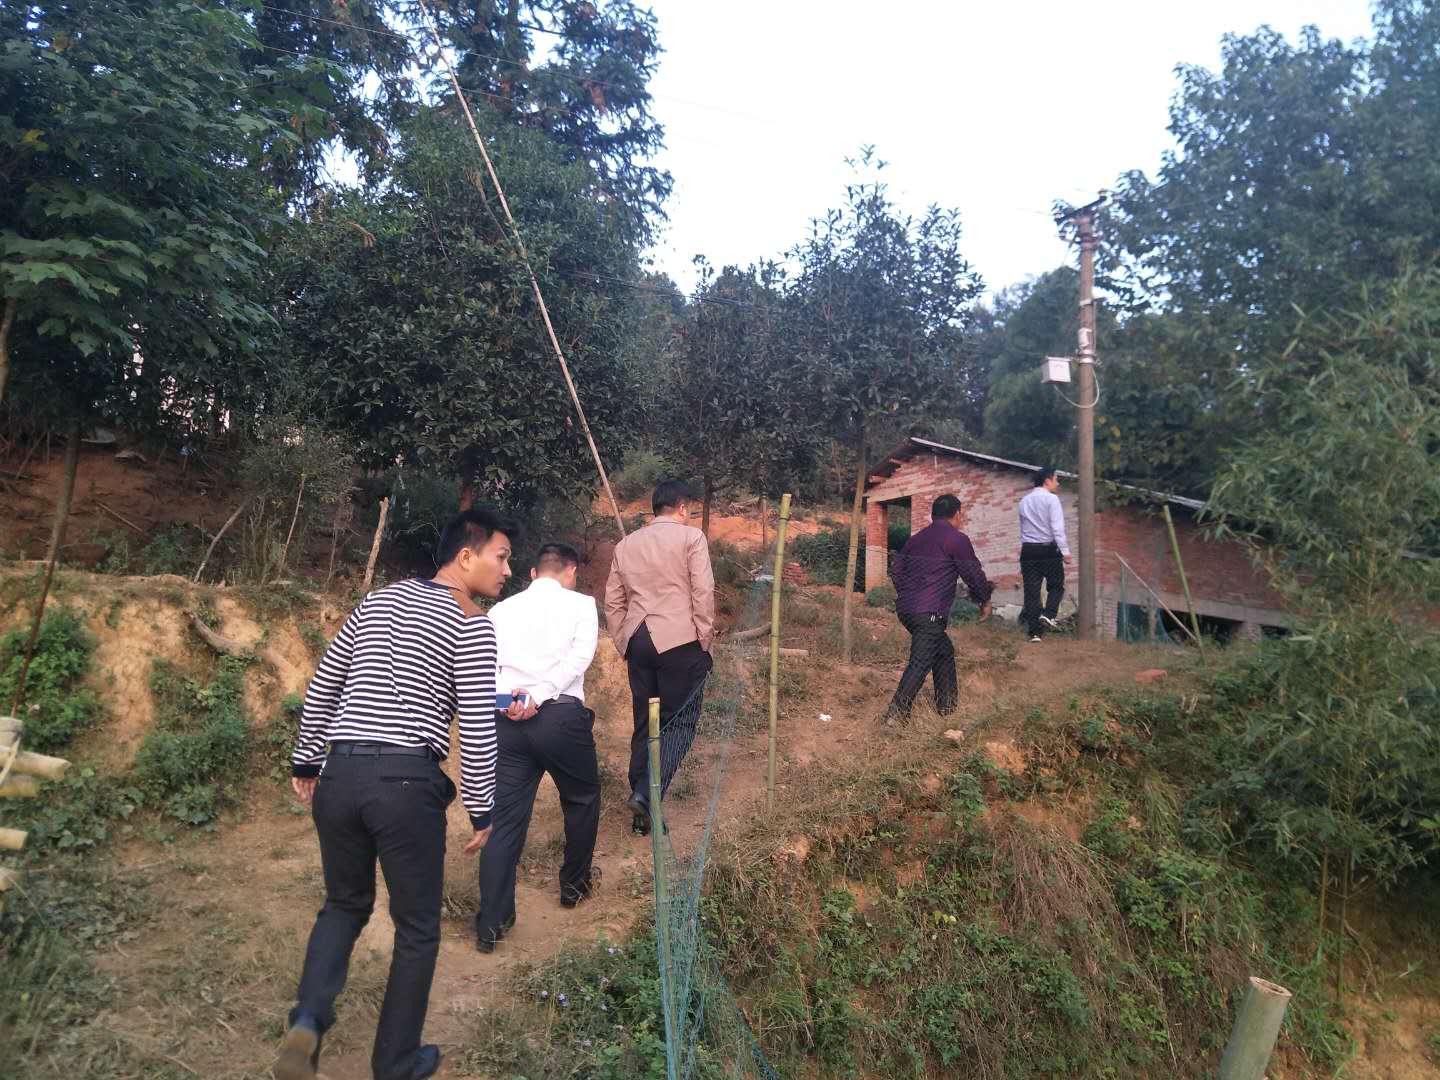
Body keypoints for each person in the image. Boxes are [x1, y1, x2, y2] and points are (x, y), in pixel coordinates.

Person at [275, 507, 517, 1080]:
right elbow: (477, 726)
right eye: (502, 557)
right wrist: (482, 807)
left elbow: (326, 681)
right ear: (466, 556)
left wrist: (307, 758)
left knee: (343, 904)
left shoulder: (379, 601)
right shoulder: (473, 623)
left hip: (340, 775)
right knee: (417, 929)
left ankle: (308, 1019)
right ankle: (396, 1062)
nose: (508, 570)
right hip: (405, 786)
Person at [475, 542, 602, 953]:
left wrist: (509, 700)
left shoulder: (501, 610)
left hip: (507, 721)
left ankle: (491, 924)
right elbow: (578, 660)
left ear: (532, 573)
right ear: (571, 571)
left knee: (504, 820)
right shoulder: (582, 605)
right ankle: (573, 887)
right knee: (581, 799)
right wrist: (540, 694)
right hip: (560, 718)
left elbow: (486, 665)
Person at [604, 479, 715, 836]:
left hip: (638, 640)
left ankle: (642, 813)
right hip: (680, 641)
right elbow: (703, 592)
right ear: (682, 508)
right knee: (679, 722)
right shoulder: (692, 538)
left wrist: (623, 640)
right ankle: (645, 794)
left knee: (644, 723)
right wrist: (704, 640)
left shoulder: (626, 545)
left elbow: (613, 602)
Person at [882, 493, 993, 724]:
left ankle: (947, 708)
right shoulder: (956, 539)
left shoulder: (915, 540)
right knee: (921, 660)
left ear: (933, 515)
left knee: (943, 652)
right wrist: (984, 600)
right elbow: (972, 573)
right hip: (929, 611)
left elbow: (897, 570)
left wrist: (908, 594)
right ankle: (895, 715)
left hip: (907, 610)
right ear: (957, 514)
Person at [1018, 467, 1071, 643]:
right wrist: (1065, 551)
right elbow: (1057, 528)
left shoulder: (1024, 501)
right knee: (1056, 585)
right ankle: (1048, 615)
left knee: (1031, 592)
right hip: (1048, 549)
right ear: (1047, 481)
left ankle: (1034, 633)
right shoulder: (1051, 499)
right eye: (1056, 479)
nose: (1058, 483)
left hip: (1028, 550)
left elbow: (1023, 528)